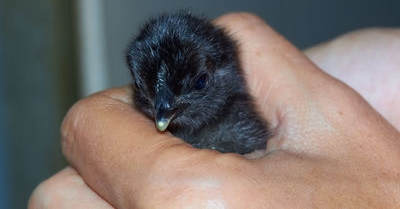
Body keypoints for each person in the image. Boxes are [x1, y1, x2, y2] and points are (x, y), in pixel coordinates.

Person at [29, 13, 400, 208]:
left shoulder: (253, 135)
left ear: (225, 72)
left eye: (198, 84)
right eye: (145, 90)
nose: (162, 110)